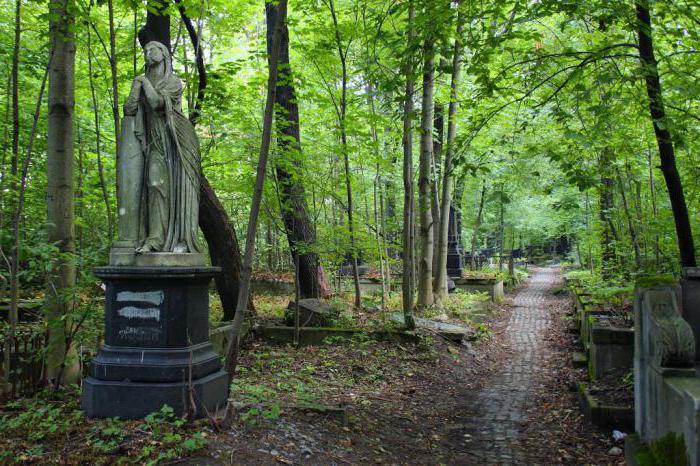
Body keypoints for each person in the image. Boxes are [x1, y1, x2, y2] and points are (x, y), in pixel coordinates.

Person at [123, 41, 201, 254]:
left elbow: (157, 103)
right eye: (145, 51)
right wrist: (135, 87)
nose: (148, 53)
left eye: (152, 49)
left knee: (180, 192)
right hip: (156, 143)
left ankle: (182, 240)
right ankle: (155, 240)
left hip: (178, 142)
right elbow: (129, 109)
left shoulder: (173, 82)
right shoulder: (142, 81)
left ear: (164, 54)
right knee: (154, 185)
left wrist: (142, 82)